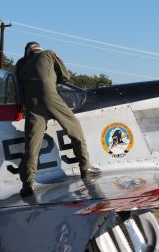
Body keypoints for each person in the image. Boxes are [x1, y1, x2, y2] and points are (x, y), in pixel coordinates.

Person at [15, 41, 101, 196]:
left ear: (27, 54)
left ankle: (27, 184)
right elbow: (65, 76)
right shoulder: (48, 54)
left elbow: (19, 91)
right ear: (39, 50)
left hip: (31, 105)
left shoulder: (21, 68)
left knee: (32, 145)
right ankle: (85, 167)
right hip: (50, 97)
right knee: (75, 129)